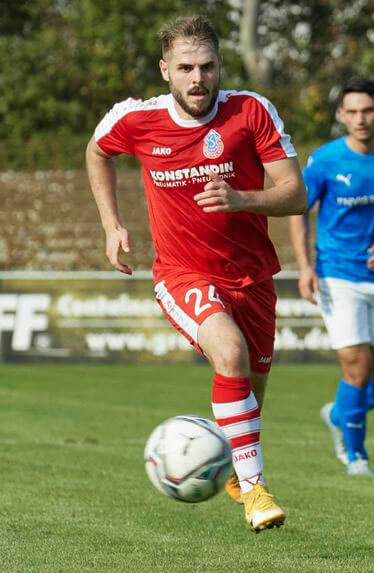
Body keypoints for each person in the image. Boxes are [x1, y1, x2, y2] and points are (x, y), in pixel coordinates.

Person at [85, 15, 304, 532]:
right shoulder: (135, 119)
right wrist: (111, 225)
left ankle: (233, 469)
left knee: (249, 391)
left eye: (207, 66)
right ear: (166, 70)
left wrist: (241, 199)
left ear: (219, 65)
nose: (198, 78)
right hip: (182, 273)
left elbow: (295, 193)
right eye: (185, 67)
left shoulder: (251, 112)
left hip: (252, 276)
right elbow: (97, 151)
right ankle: (254, 491)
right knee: (229, 352)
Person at [289, 77, 374, 477]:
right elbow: (299, 209)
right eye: (351, 112)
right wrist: (304, 266)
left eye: (368, 110)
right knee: (357, 367)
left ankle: (339, 413)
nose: (360, 119)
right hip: (338, 275)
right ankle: (356, 455)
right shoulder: (325, 160)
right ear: (340, 116)